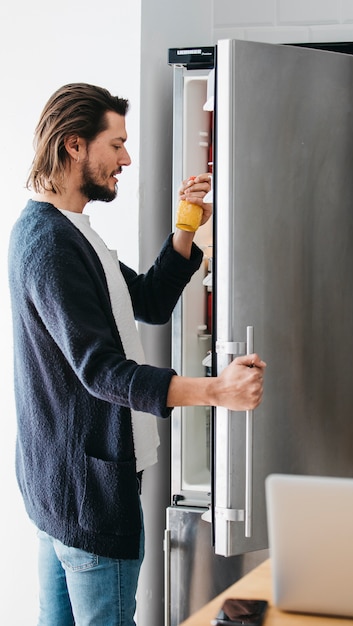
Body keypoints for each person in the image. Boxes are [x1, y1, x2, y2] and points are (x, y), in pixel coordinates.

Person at [8, 83, 266, 626]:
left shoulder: (68, 232)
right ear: (75, 145)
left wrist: (187, 224)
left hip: (60, 491)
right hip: (89, 499)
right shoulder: (53, 246)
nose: (126, 158)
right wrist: (218, 390)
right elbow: (101, 371)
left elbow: (147, 300)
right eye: (116, 144)